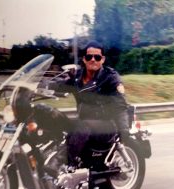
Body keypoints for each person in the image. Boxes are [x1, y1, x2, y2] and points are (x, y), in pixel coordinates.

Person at [53, 40, 130, 168]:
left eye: (97, 57)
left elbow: (120, 106)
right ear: (84, 59)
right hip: (85, 122)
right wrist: (36, 86)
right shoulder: (77, 77)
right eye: (89, 57)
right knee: (54, 117)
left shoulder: (110, 77)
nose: (93, 60)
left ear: (103, 59)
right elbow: (60, 85)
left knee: (82, 125)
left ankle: (62, 164)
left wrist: (123, 132)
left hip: (107, 125)